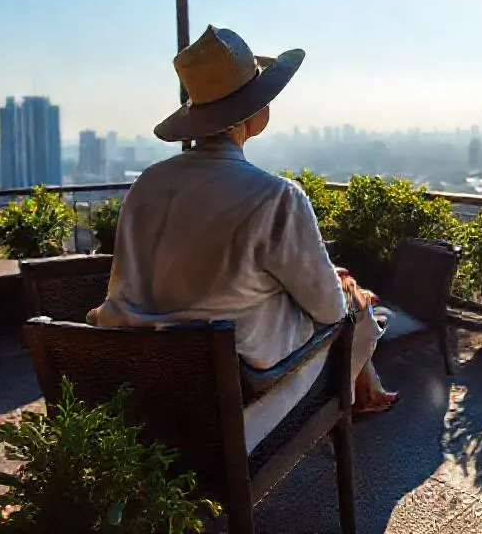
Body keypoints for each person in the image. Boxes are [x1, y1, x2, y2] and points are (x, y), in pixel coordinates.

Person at [87, 25, 397, 453]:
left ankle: (366, 391)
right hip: (240, 405)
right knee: (352, 303)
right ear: (254, 111)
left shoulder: (147, 186)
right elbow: (327, 312)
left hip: (148, 396)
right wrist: (340, 288)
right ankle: (355, 396)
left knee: (344, 296)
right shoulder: (274, 198)